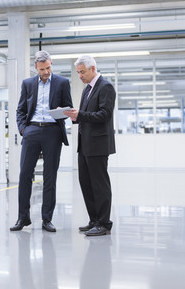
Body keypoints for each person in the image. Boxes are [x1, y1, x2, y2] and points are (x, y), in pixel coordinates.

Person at [10, 50, 73, 233]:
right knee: (24, 175)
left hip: (53, 131)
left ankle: (47, 219)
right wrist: (24, 129)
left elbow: (68, 109)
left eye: (47, 68)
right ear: (35, 68)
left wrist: (63, 111)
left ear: (51, 64)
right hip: (32, 131)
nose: (45, 72)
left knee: (49, 177)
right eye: (41, 69)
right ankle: (23, 217)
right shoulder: (28, 84)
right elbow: (20, 110)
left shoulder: (62, 83)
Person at [63, 55, 116, 236]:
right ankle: (94, 220)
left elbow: (104, 115)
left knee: (100, 185)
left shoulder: (105, 87)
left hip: (98, 144)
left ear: (93, 69)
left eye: (82, 72)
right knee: (86, 183)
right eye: (78, 72)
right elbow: (85, 114)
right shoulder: (87, 89)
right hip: (85, 144)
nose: (80, 76)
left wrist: (80, 115)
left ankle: (104, 223)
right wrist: (74, 116)